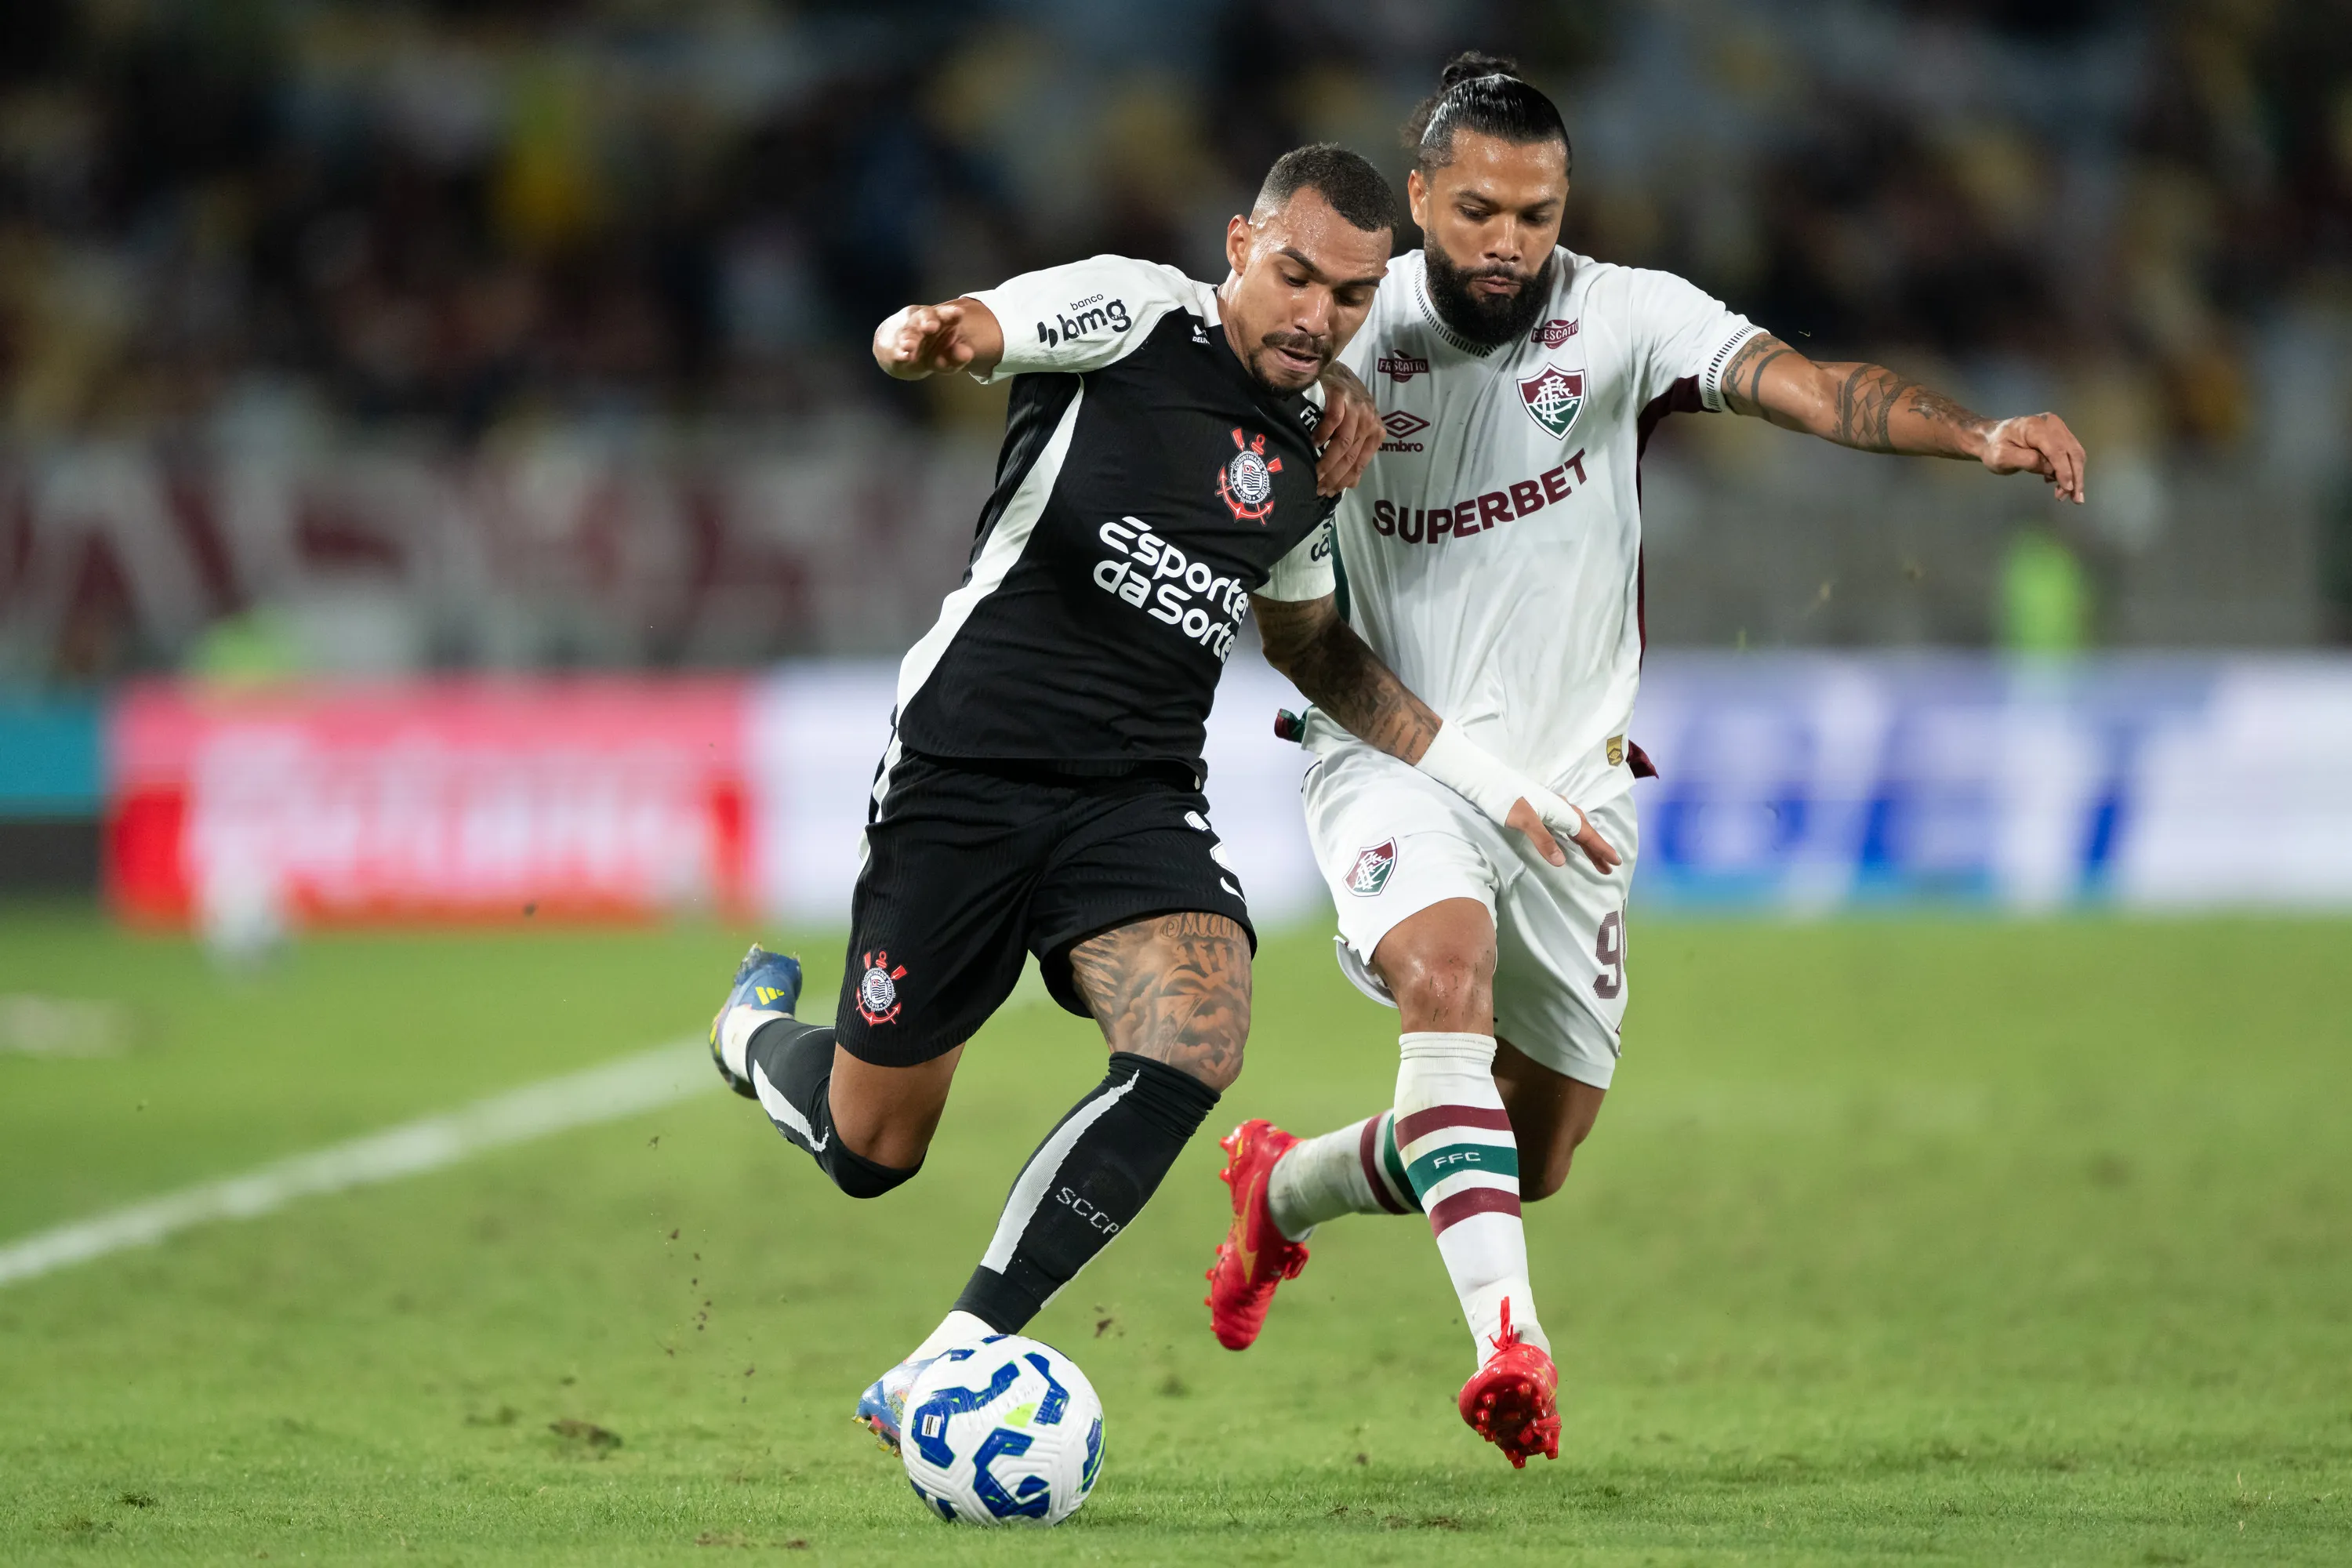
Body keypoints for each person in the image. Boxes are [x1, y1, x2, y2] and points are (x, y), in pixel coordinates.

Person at [1202, 55, 2089, 1468]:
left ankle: (1286, 1187)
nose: (1510, 241)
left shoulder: (1629, 317)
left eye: (1539, 213)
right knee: (1443, 975)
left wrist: (1973, 435)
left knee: (1531, 1150)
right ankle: (1512, 1348)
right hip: (1391, 757)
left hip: (1574, 795)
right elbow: (1267, 575)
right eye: (1480, 208)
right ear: (1421, 198)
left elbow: (1815, 389)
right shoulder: (1335, 345)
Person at [701, 142, 1612, 1457]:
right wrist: (936, 334)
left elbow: (1309, 646)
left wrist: (1483, 780)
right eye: (1296, 276)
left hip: (1131, 793)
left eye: (1351, 298)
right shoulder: (1134, 313)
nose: (1318, 316)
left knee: (1197, 1030)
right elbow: (995, 325)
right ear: (1241, 245)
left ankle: (955, 1354)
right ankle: (749, 1037)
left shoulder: (1308, 450)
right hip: (967, 770)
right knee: (873, 1149)